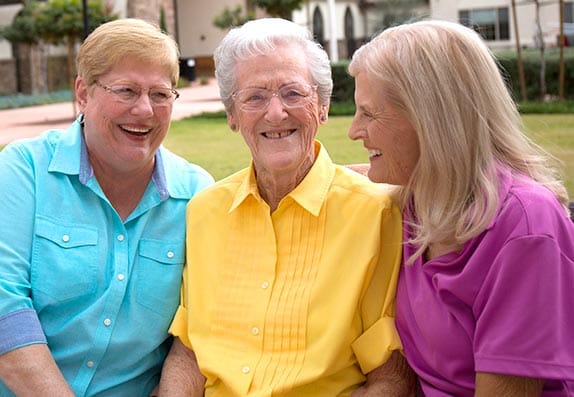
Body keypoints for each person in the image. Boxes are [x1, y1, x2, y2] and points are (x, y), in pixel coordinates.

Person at [158, 18, 416, 396]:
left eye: (293, 94)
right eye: (255, 97)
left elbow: (391, 377)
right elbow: (188, 352)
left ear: (323, 107)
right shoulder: (205, 211)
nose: (276, 113)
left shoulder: (376, 214)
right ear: (232, 115)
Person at [348, 19, 574, 396]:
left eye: (369, 113)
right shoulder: (416, 196)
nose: (354, 130)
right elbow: (321, 183)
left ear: (430, 118)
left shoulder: (525, 226)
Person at [0, 18, 213, 396]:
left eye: (161, 94)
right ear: (83, 92)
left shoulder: (197, 193)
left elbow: (200, 327)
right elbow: (6, 306)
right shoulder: (24, 170)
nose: (145, 110)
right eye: (126, 90)